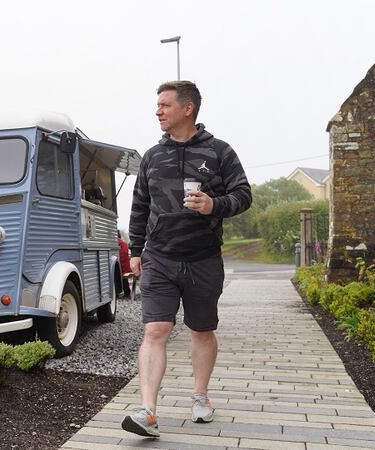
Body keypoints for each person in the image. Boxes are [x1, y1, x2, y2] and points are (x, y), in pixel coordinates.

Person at [121, 81, 252, 437]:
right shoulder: (151, 156)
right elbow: (139, 207)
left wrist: (214, 205)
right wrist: (135, 250)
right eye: (157, 105)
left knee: (201, 330)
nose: (158, 111)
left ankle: (200, 396)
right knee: (156, 329)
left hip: (203, 258)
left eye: (164, 105)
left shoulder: (220, 152)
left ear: (187, 108)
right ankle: (148, 411)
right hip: (160, 258)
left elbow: (244, 194)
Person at [117, 230, 132, 298]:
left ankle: (123, 292)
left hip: (123, 268)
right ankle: (127, 292)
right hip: (126, 267)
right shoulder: (124, 244)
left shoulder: (117, 244)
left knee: (120, 275)